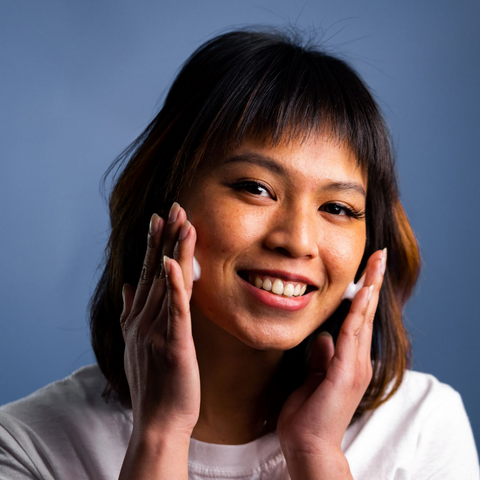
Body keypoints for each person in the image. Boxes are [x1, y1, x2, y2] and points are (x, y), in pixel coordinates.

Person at [0, 28, 478, 480]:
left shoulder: (420, 429)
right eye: (256, 188)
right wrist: (161, 435)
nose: (298, 240)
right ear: (166, 199)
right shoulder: (27, 445)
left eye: (337, 207)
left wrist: (316, 452)